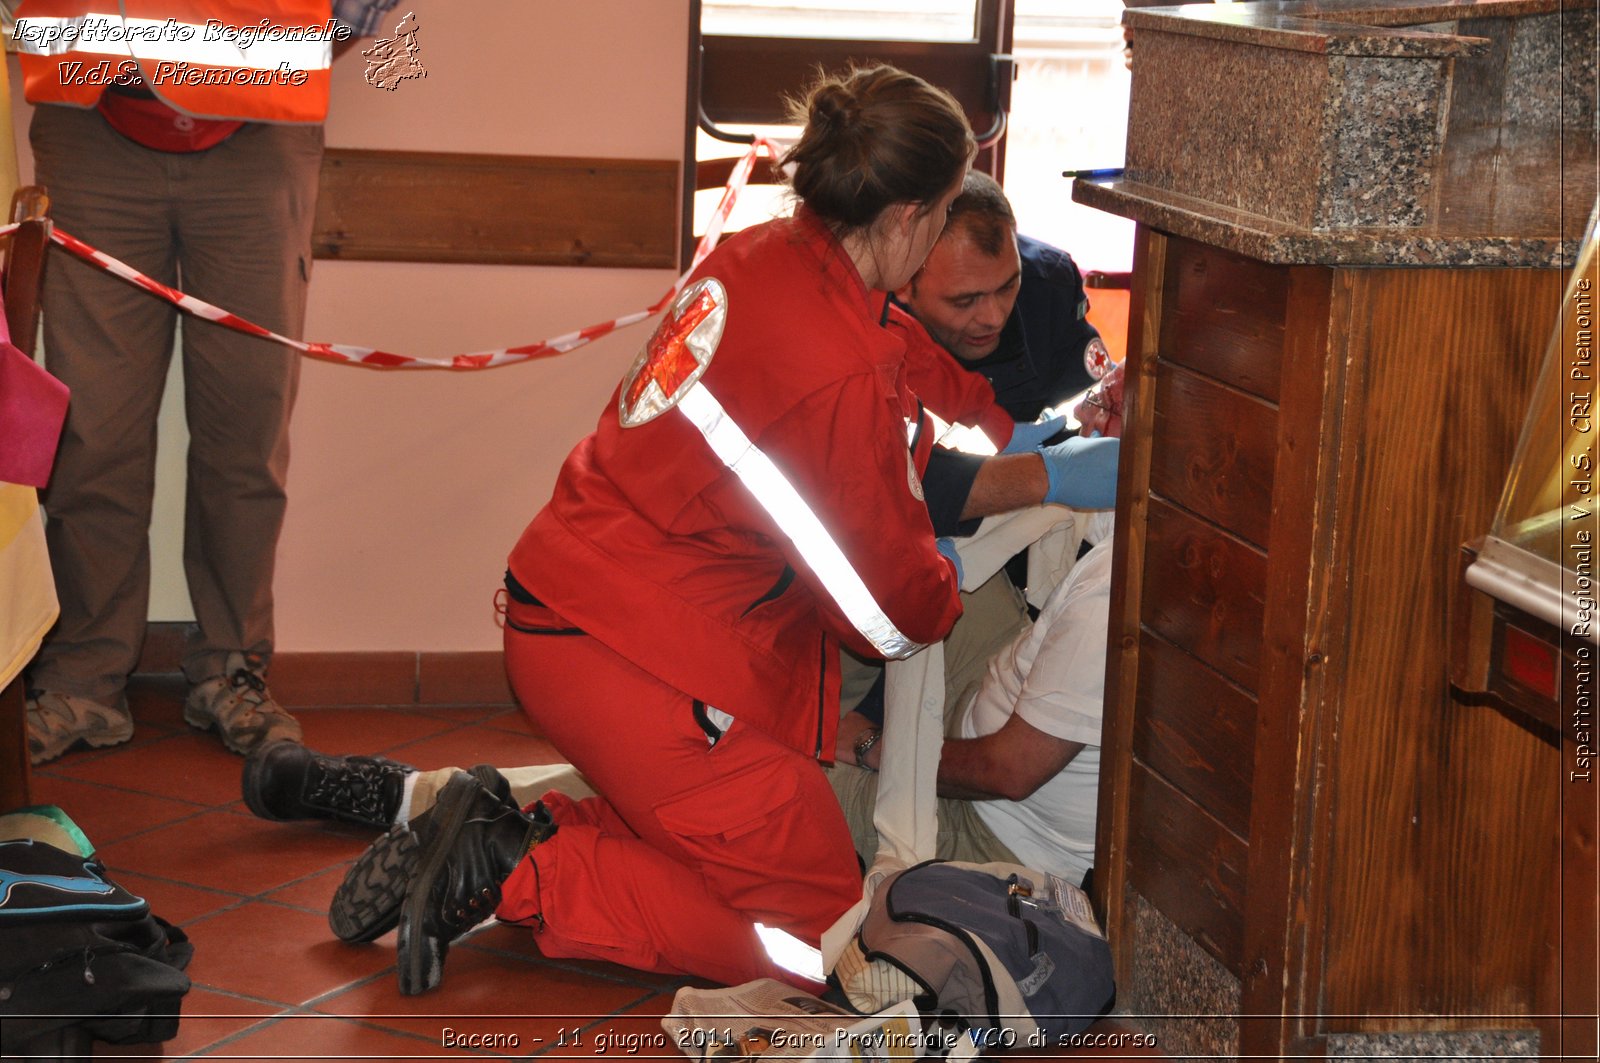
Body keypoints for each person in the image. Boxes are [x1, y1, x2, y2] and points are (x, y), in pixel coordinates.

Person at [315, 64, 1116, 997]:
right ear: (904, 220)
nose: (942, 240)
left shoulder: (764, 254)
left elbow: (889, 360)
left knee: (754, 856)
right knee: (827, 953)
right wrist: (935, 573)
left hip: (589, 610)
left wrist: (1005, 429)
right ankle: (519, 869)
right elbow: (887, 616)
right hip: (648, 662)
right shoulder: (836, 364)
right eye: (941, 218)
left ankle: (504, 831)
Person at [16, 0, 397, 765]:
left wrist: (265, 67)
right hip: (93, 127)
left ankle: (231, 668)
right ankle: (85, 675)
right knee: (93, 429)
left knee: (247, 429)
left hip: (258, 143)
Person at [830, 512, 1116, 888]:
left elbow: (1009, 773)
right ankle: (799, 699)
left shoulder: (1113, 601)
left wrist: (872, 745)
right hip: (998, 681)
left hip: (996, 826)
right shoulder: (1162, 527)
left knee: (775, 793)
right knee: (892, 558)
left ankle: (789, 731)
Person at [898, 170, 1111, 426]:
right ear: (904, 285)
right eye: (965, 301)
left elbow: (1088, 407)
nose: (995, 318)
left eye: (1008, 287)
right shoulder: (867, 316)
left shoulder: (1051, 285)